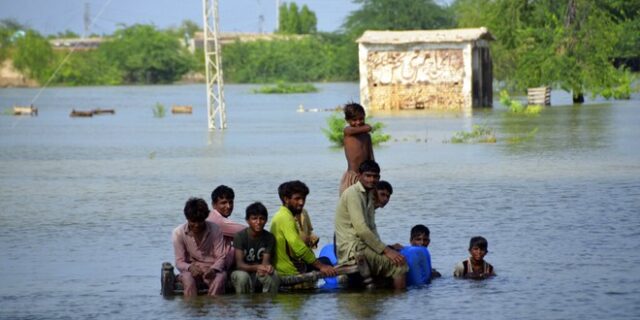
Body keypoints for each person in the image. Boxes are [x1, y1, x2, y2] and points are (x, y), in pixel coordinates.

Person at [335, 160, 408, 290]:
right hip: (353, 248)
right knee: (399, 266)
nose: (371, 180)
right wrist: (386, 251)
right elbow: (362, 230)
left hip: (362, 245)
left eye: (375, 177)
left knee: (397, 257)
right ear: (359, 176)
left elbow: (371, 228)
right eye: (368, 175)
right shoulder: (353, 194)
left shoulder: (368, 194)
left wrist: (386, 248)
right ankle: (400, 305)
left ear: (379, 178)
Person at [270, 180, 337, 277]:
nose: (301, 202)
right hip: (290, 270)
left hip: (288, 265)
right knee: (325, 261)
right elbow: (299, 248)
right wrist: (321, 266)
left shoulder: (282, 214)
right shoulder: (285, 217)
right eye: (297, 199)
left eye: (303, 198)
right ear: (286, 199)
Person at [172, 197, 227, 297]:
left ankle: (214, 305)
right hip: (191, 271)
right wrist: (190, 267)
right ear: (187, 219)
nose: (196, 225)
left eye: (200, 221)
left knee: (220, 278)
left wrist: (213, 269)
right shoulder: (178, 233)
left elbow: (221, 257)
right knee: (188, 279)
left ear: (205, 218)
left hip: (211, 269)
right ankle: (192, 307)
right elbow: (179, 262)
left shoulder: (215, 230)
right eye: (193, 221)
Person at [231, 202, 280, 293]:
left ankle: (268, 304)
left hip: (258, 272)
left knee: (273, 275)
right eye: (254, 219)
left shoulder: (269, 237)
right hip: (241, 271)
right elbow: (239, 265)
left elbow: (265, 262)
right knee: (242, 277)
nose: (258, 222)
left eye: (262, 219)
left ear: (265, 220)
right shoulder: (240, 236)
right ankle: (243, 304)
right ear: (247, 220)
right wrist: (258, 267)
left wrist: (267, 268)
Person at [206, 185, 246, 270]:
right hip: (214, 264)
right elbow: (248, 232)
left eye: (231, 202)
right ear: (214, 205)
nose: (228, 206)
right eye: (223, 203)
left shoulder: (212, 216)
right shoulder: (217, 220)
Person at [340, 102, 374, 195]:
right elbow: (364, 128)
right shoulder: (348, 131)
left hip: (365, 176)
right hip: (352, 176)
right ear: (347, 120)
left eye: (361, 119)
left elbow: (371, 156)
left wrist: (374, 174)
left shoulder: (366, 136)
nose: (358, 122)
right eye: (354, 120)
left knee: (366, 204)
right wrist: (368, 127)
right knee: (350, 204)